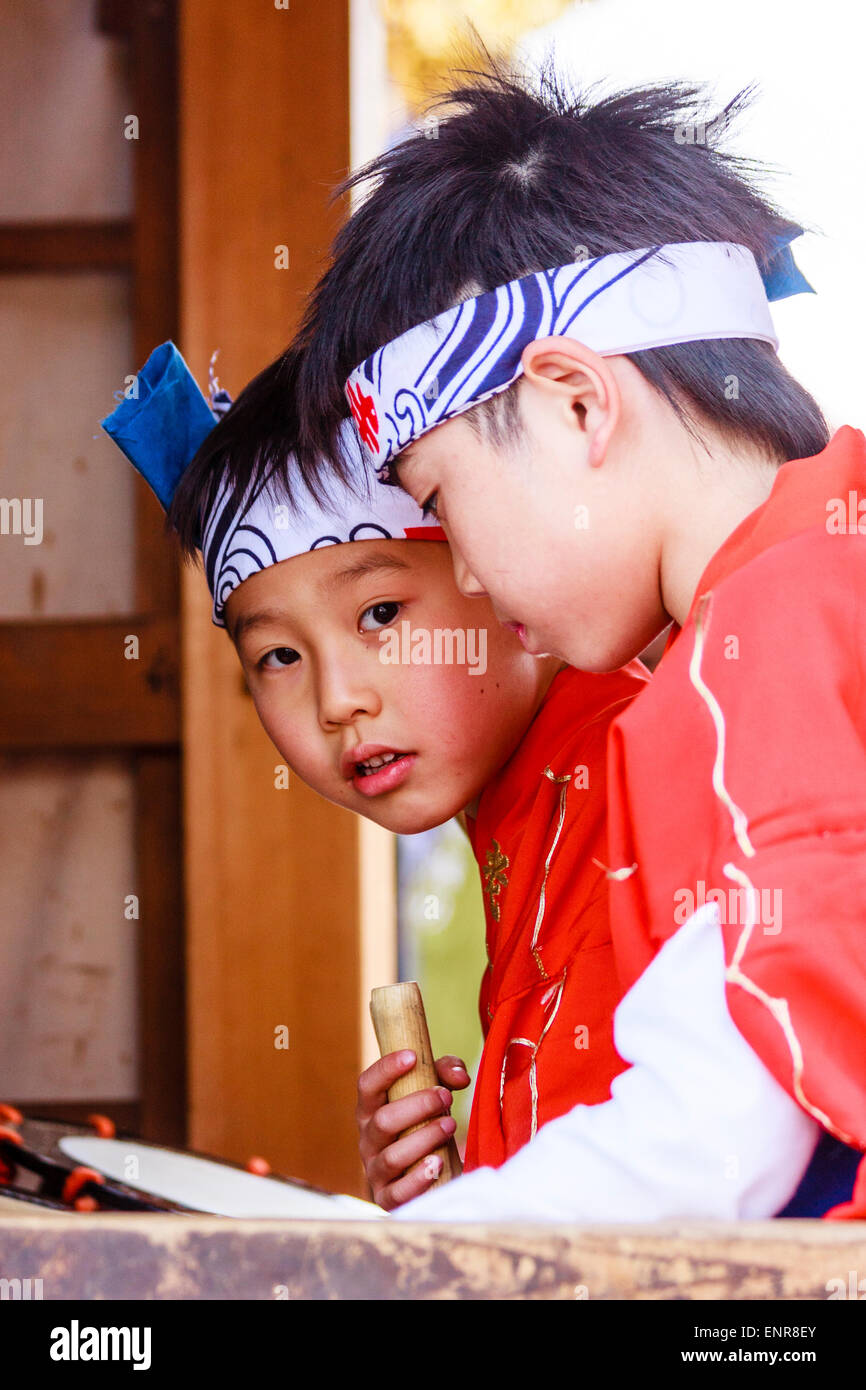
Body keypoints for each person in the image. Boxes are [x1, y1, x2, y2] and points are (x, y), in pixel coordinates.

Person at [289, 62, 866, 1221]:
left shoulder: (774, 628)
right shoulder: (813, 583)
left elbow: (715, 1134)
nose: (459, 566)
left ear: (572, 402)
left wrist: (388, 1265)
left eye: (443, 500)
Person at [101, 339, 647, 1211]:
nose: (338, 699)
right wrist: (454, 1193)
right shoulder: (524, 801)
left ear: (491, 563)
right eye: (278, 655)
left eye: (381, 613)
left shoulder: (633, 768)